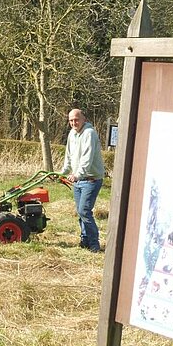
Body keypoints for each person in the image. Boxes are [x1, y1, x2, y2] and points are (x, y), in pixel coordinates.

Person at [60, 108, 106, 253]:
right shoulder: (72, 134)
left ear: (83, 119)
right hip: (78, 180)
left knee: (84, 211)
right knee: (81, 212)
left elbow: (87, 157)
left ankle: (94, 244)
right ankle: (85, 240)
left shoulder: (89, 133)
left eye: (76, 119)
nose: (74, 122)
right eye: (71, 120)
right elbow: (69, 156)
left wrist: (77, 174)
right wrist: (62, 172)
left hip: (91, 179)